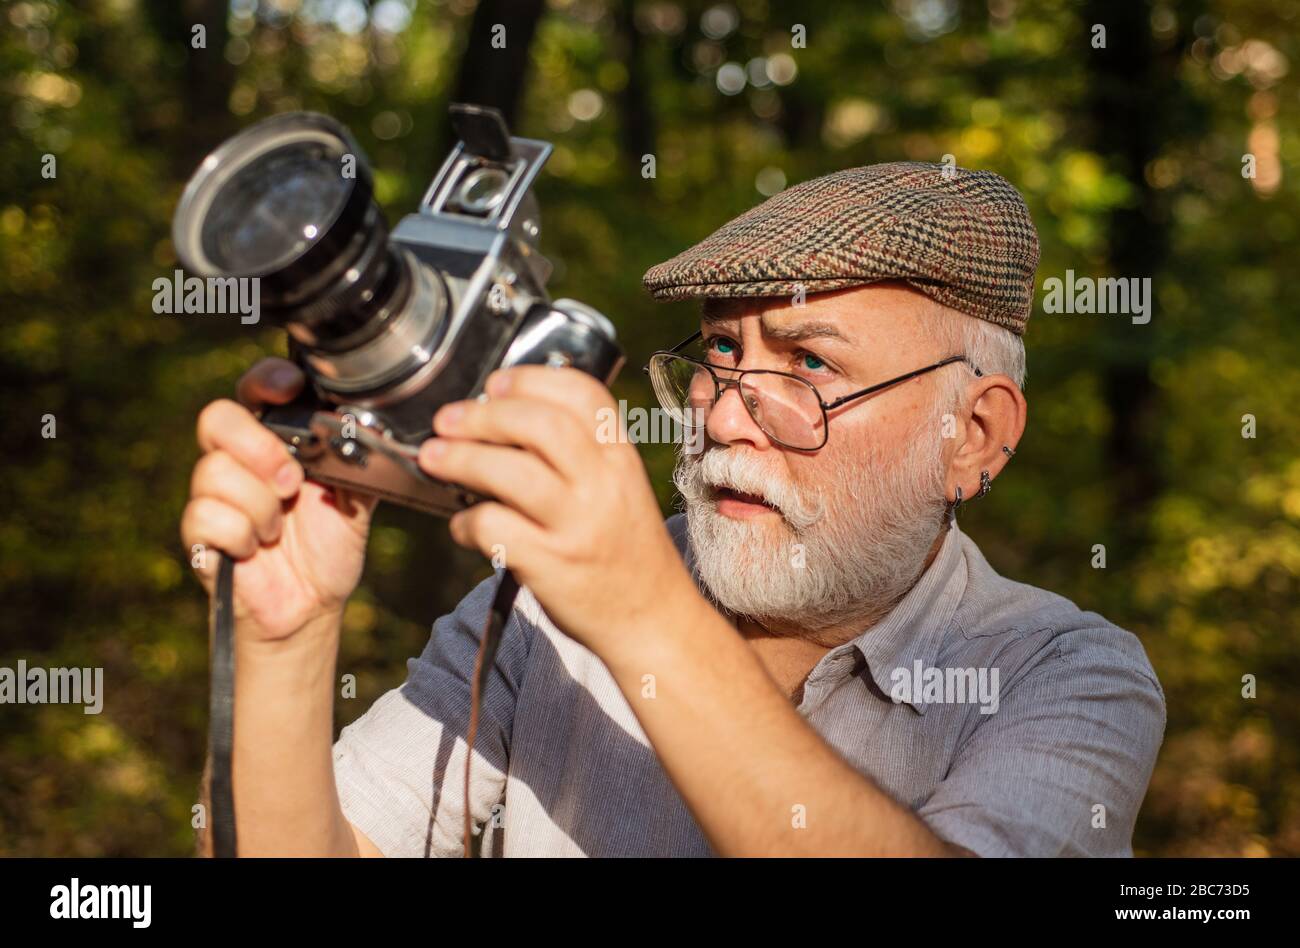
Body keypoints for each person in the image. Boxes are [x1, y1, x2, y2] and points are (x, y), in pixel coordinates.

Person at [181, 161, 1165, 857]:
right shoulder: (535, 614)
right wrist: (285, 640)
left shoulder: (1064, 673)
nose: (729, 410)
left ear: (975, 436)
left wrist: (642, 615)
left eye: (811, 363)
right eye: (721, 352)